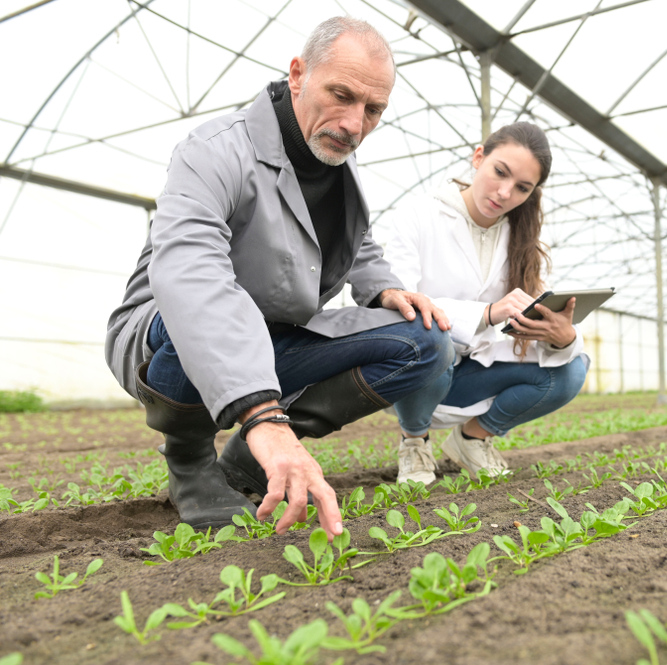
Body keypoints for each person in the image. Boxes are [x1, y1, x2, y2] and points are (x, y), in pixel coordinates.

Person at [105, 17, 454, 539]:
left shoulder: (334, 157)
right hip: (169, 341)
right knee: (189, 315)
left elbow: (356, 243)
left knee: (426, 341)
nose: (355, 124)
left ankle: (245, 460)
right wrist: (262, 412)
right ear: (297, 75)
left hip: (277, 337)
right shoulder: (214, 151)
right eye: (341, 95)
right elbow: (191, 275)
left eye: (373, 110)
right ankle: (189, 459)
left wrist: (384, 287)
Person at [380, 122, 589, 484]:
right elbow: (397, 305)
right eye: (499, 172)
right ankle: (414, 440)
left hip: (469, 372)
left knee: (572, 368)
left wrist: (560, 336)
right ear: (479, 158)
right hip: (416, 374)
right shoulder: (417, 215)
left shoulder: (518, 238)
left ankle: (473, 439)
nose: (505, 192)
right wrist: (487, 313)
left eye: (522, 187)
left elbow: (533, 330)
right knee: (433, 341)